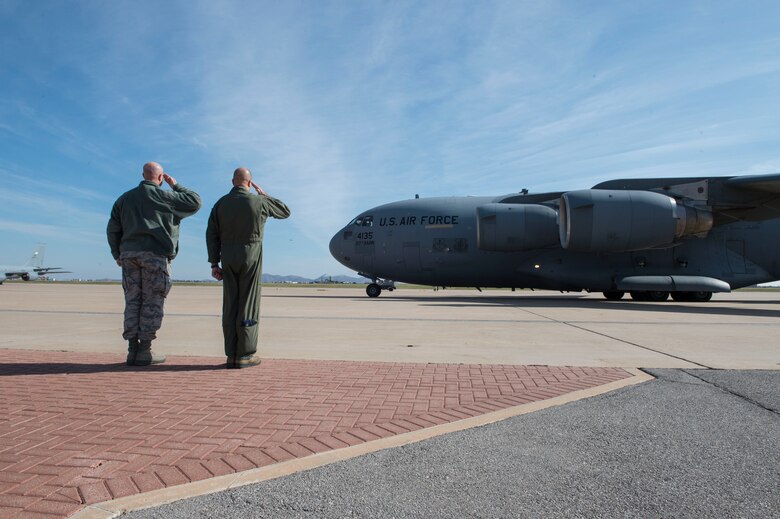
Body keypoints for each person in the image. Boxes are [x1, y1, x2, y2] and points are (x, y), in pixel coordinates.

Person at [107, 162, 201, 366]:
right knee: (152, 301)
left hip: (129, 256)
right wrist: (176, 185)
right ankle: (144, 351)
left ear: (142, 175)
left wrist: (117, 253)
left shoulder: (124, 199)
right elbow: (194, 202)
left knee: (132, 301)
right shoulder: (164, 196)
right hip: (155, 255)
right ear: (160, 178)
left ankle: (132, 350)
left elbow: (113, 228)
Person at [206, 167, 291, 368]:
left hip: (227, 255)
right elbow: (285, 211)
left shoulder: (220, 204)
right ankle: (245, 354)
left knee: (230, 305)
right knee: (248, 304)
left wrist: (214, 262)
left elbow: (211, 235)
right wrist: (265, 195)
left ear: (232, 181)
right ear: (250, 183)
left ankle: (231, 354)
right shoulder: (259, 201)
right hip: (251, 255)